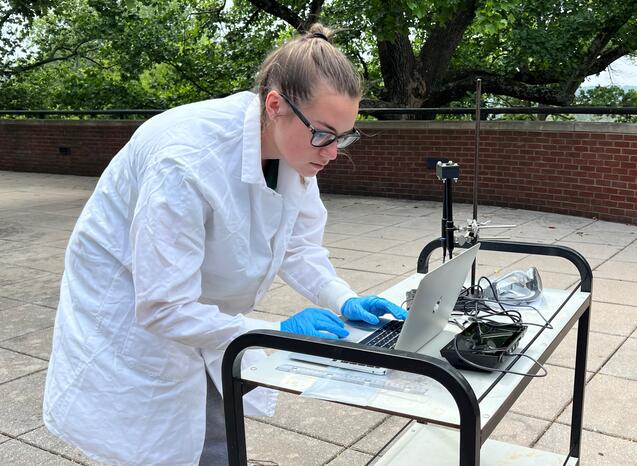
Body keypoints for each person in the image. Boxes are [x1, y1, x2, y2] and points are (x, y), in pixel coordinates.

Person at [43, 24, 407, 466]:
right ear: (276, 105)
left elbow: (298, 247)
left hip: (196, 301)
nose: (332, 152)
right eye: (325, 134)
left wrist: (342, 297)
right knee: (158, 443)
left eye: (344, 136)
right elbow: (162, 306)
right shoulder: (186, 161)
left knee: (216, 420)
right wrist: (273, 335)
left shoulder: (295, 149)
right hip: (127, 304)